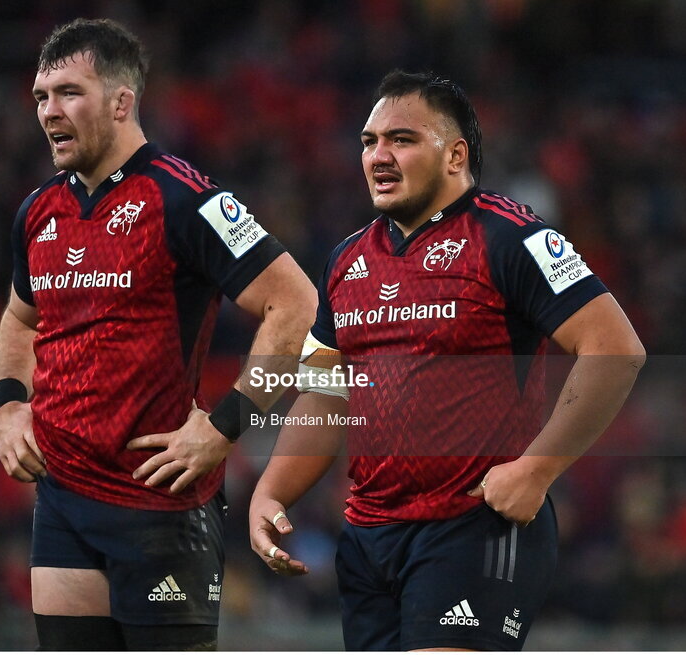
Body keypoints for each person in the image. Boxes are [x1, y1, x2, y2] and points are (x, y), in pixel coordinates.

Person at [249, 70, 645, 651]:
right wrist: (271, 493)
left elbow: (615, 349)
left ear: (455, 154)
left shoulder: (510, 237)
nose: (379, 156)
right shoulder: (345, 260)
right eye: (368, 142)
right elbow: (327, 393)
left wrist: (537, 470)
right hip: (368, 540)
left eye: (402, 140)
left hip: (472, 529)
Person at [0, 18, 316, 651]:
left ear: (121, 101)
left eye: (68, 94)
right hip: (63, 499)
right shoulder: (38, 211)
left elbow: (297, 304)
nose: (49, 112)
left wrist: (226, 425)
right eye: (40, 97)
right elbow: (19, 321)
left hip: (159, 506)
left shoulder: (185, 198)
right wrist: (5, 405)